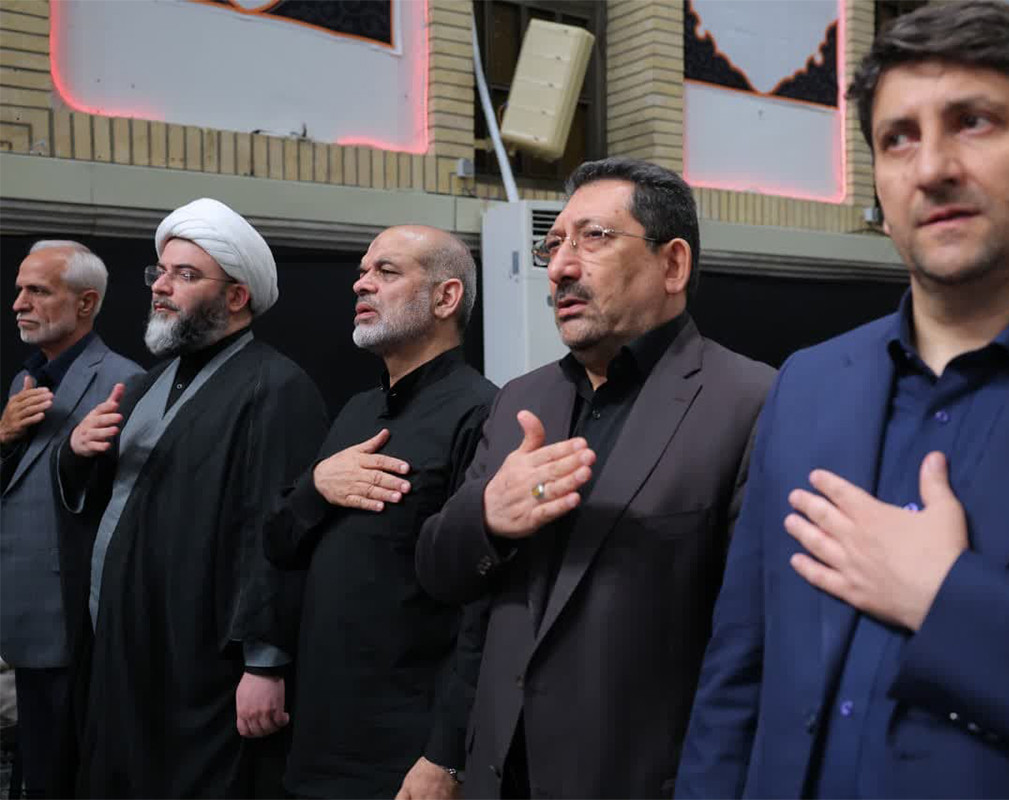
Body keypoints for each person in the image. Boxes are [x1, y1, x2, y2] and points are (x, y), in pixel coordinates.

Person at [675, 3, 1009, 798]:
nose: (932, 169)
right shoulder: (807, 387)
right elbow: (738, 680)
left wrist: (952, 605)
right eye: (898, 138)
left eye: (974, 122)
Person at [417, 157, 775, 798]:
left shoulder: (751, 403)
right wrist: (488, 517)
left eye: (594, 238)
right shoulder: (520, 400)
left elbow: (759, 645)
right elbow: (443, 576)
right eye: (553, 244)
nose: (560, 267)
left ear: (673, 265)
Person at [56, 198, 329, 797]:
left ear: (236, 297)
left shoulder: (276, 387)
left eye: (185, 275)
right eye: (160, 272)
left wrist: (264, 662)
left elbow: (277, 534)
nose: (161, 287)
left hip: (202, 665)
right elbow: (111, 506)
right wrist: (76, 454)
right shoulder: (146, 386)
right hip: (125, 650)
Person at [263, 225, 496, 799]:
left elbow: (484, 608)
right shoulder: (356, 411)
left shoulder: (481, 413)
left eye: (386, 272)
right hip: (318, 736)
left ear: (446, 298)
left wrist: (446, 755)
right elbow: (278, 542)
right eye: (363, 272)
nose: (361, 284)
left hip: (405, 751)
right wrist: (317, 486)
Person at [1, 241, 142, 798]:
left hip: (72, 622)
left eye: (38, 291)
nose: (19, 303)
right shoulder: (26, 381)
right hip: (21, 619)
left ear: (86, 303)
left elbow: (121, 508)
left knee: (64, 774)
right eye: (20, 289)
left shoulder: (124, 381)